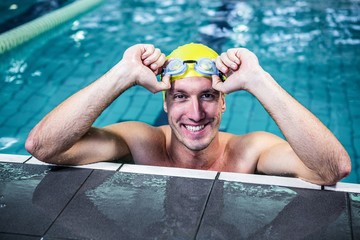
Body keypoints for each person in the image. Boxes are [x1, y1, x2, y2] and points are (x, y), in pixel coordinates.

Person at [25, 43, 351, 185]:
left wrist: (258, 81)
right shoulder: (142, 142)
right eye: (180, 96)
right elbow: (43, 146)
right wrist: (122, 74)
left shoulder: (250, 151)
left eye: (208, 96)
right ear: (165, 104)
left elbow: (332, 168)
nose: (195, 113)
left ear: (224, 102)